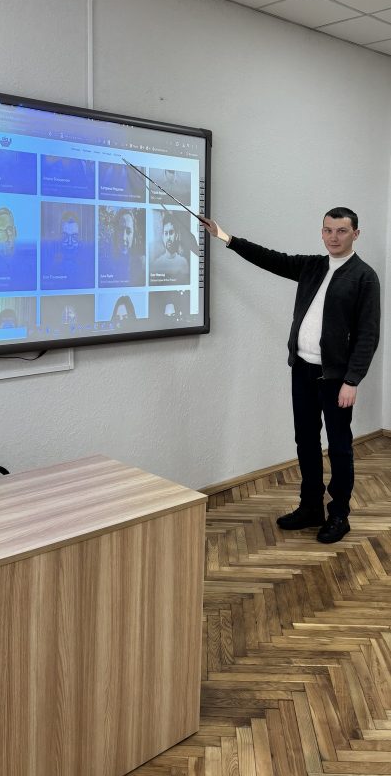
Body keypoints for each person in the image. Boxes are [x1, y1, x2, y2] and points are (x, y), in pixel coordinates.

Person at [203, 208, 380, 543]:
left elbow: (368, 335)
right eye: (327, 230)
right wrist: (225, 237)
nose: (333, 237)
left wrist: (352, 380)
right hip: (302, 369)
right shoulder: (312, 266)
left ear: (355, 234)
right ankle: (311, 506)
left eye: (341, 231)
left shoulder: (364, 276)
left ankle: (338, 514)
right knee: (306, 441)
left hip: (336, 378)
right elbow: (271, 259)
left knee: (339, 447)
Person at [151, 212, 190, 284]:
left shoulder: (183, 262)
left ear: (176, 235)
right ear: (163, 237)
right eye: (166, 233)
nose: (168, 237)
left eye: (171, 233)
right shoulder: (157, 263)